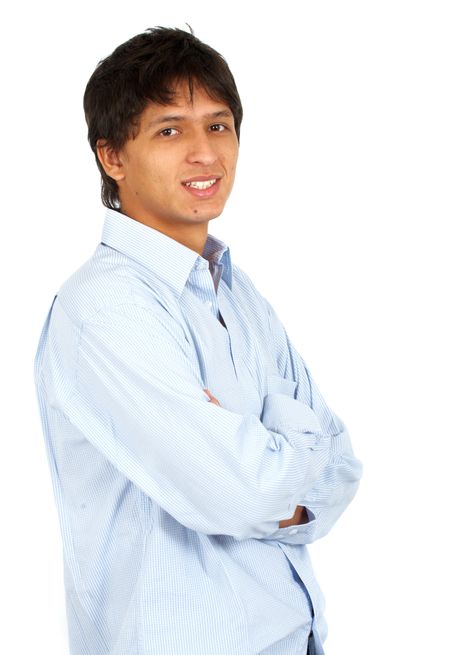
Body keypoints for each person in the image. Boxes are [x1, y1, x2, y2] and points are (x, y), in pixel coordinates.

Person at [34, 26, 362, 655]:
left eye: (218, 125)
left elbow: (341, 468)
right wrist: (278, 458)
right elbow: (239, 493)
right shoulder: (106, 307)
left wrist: (263, 454)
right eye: (169, 130)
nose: (205, 153)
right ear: (113, 157)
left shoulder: (240, 296)